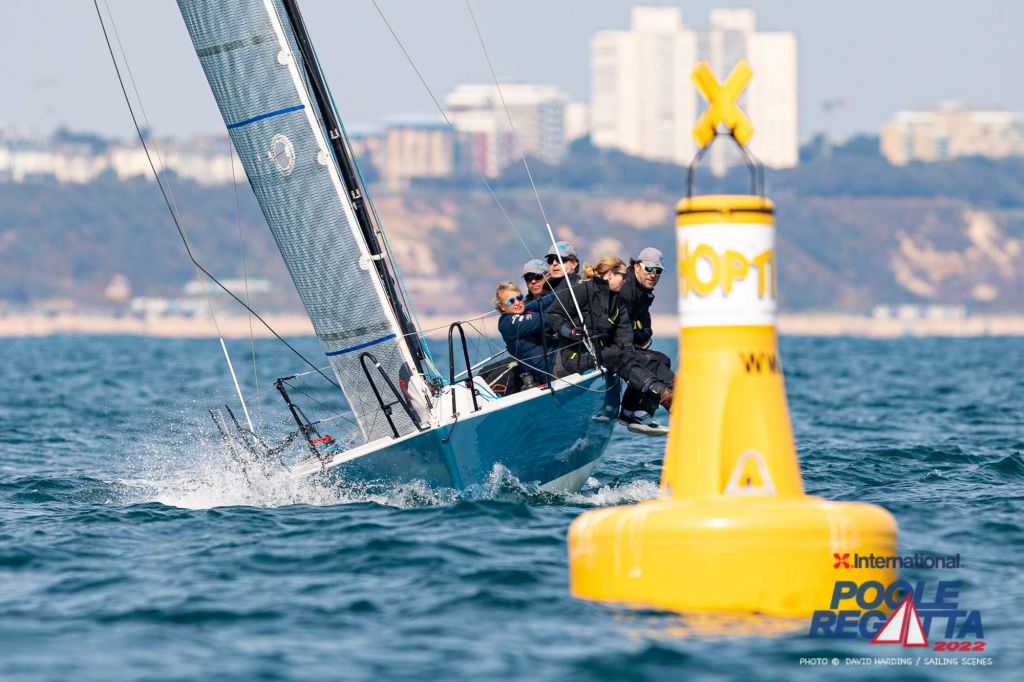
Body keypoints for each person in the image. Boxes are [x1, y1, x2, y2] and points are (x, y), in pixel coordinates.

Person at [545, 256, 673, 430]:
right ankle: (664, 395)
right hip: (577, 354)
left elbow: (624, 332)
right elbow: (554, 314)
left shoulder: (617, 300)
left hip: (604, 352)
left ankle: (677, 395)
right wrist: (570, 331)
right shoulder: (583, 290)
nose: (626, 280)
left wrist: (632, 353)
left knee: (655, 358)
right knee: (617, 356)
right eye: (623, 276)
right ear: (610, 274)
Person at [616, 247, 675, 435]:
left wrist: (640, 334)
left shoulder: (644, 292)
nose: (653, 275)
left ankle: (635, 412)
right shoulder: (625, 287)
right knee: (651, 362)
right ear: (636, 266)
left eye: (658, 271)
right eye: (649, 269)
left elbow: (646, 327)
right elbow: (617, 322)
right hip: (614, 346)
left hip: (628, 343)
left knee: (663, 359)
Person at [495, 281, 556, 387]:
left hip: (554, 354)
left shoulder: (521, 309)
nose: (517, 302)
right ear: (502, 307)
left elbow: (541, 302)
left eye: (519, 297)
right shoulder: (508, 322)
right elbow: (542, 319)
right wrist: (561, 311)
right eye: (511, 301)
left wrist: (566, 292)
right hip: (551, 368)